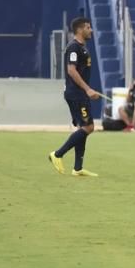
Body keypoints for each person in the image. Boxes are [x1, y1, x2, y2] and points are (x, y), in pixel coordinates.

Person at [49, 17, 101, 177]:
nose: (91, 30)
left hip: (79, 93)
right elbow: (71, 70)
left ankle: (77, 168)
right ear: (80, 30)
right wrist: (88, 89)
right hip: (77, 93)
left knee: (83, 127)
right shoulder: (74, 48)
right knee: (89, 127)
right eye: (88, 27)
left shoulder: (82, 48)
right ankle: (57, 154)